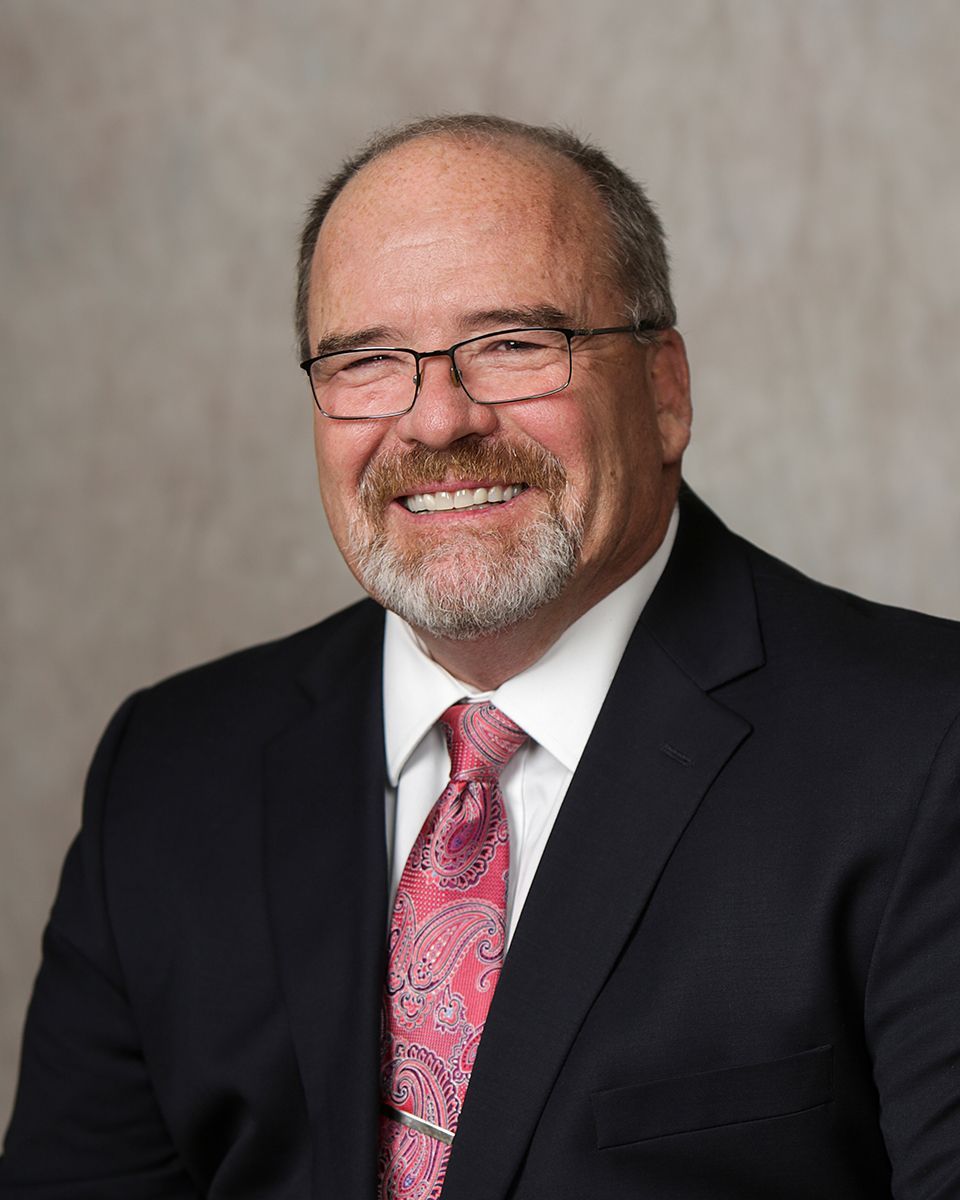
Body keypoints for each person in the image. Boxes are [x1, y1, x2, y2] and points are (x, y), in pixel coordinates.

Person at [2, 114, 959, 1200]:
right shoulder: (170, 773)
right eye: (366, 361)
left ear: (664, 392)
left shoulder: (924, 751)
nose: (438, 420)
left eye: (513, 343)